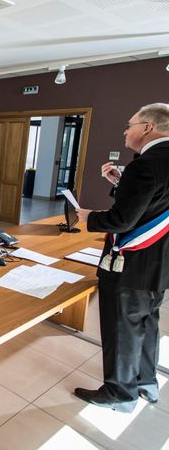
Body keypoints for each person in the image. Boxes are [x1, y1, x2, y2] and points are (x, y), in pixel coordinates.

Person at [73, 103, 169, 413]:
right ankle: (146, 384)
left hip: (130, 267)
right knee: (147, 325)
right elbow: (153, 205)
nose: (125, 131)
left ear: (147, 127)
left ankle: (119, 393)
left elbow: (123, 220)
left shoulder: (145, 163)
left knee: (121, 329)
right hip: (159, 264)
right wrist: (119, 182)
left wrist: (88, 218)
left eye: (129, 125)